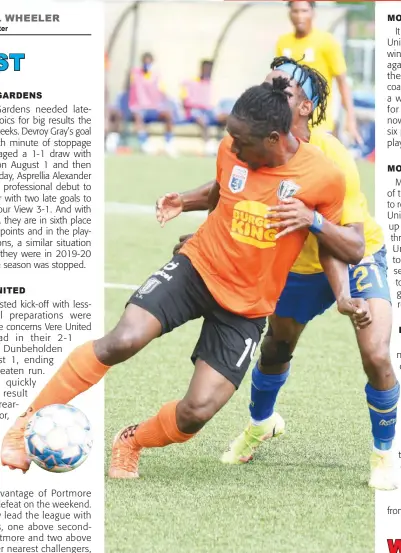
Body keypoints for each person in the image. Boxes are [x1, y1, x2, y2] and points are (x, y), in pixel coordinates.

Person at [2, 78, 364, 480]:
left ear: (274, 139)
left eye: (242, 141)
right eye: (231, 137)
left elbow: (344, 246)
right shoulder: (233, 150)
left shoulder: (324, 177)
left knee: (197, 412)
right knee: (122, 339)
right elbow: (224, 191)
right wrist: (192, 211)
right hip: (198, 267)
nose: (231, 146)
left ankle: (131, 441)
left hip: (246, 306)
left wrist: (332, 267)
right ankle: (22, 426)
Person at [156, 58, 395, 490]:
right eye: (267, 84)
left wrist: (312, 220)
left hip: (355, 257)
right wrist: (194, 221)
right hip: (298, 268)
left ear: (305, 107)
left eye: (282, 89)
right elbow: (231, 190)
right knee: (276, 348)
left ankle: (383, 454)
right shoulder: (261, 140)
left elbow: (352, 244)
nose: (270, 92)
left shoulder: (331, 157)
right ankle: (260, 425)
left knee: (376, 353)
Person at [276, 1, 362, 144]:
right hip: (289, 122)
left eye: (304, 11)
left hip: (319, 123)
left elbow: (343, 83)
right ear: (290, 14)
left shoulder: (327, 41)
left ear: (313, 13)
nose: (299, 16)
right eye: (295, 11)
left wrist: (350, 120)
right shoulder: (282, 42)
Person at [129, 52, 176, 157]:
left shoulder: (156, 76)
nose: (147, 64)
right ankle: (144, 143)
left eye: (149, 62)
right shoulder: (135, 73)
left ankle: (169, 143)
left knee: (168, 115)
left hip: (154, 109)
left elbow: (163, 92)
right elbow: (131, 85)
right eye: (145, 62)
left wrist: (167, 103)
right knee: (138, 117)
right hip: (139, 108)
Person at [181, 60, 227, 156]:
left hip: (209, 110)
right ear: (201, 68)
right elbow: (185, 100)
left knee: (226, 117)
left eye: (210, 69)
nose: (208, 71)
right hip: (194, 110)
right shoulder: (189, 82)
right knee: (202, 119)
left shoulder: (211, 83)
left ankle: (219, 143)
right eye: (206, 68)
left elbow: (213, 103)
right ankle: (208, 145)